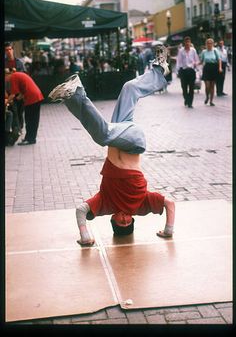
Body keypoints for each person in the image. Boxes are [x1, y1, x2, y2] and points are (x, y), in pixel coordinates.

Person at [48, 45, 175, 246]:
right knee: (103, 135)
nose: (124, 218)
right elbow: (169, 203)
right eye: (128, 222)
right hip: (134, 142)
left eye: (120, 223)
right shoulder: (141, 205)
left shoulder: (105, 204)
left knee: (129, 89)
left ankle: (159, 70)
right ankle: (75, 93)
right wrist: (168, 230)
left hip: (120, 133)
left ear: (112, 219)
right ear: (133, 219)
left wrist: (85, 236)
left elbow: (81, 210)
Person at [5, 68, 44, 145]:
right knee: (33, 119)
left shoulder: (13, 78)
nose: (5, 81)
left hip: (32, 98)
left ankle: (30, 139)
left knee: (30, 119)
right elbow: (20, 94)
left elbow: (13, 95)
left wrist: (7, 101)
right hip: (36, 96)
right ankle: (31, 138)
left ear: (7, 75)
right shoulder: (17, 75)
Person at [5, 42, 27, 132]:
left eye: (10, 49)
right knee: (12, 112)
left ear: (13, 50)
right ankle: (15, 129)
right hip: (8, 92)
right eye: (6, 50)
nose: (8, 51)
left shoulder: (19, 63)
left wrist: (22, 93)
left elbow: (24, 77)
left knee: (19, 111)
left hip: (19, 92)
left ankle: (19, 128)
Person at [176, 36, 200, 108]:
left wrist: (196, 66)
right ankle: (186, 98)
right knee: (184, 87)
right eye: (186, 42)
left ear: (190, 42)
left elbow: (197, 60)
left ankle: (190, 103)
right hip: (183, 71)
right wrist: (178, 71)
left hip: (191, 70)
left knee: (191, 87)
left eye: (188, 42)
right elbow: (178, 61)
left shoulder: (193, 50)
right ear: (184, 43)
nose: (187, 44)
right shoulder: (181, 51)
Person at [200, 38, 222, 106]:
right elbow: (201, 61)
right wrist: (195, 64)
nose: (209, 44)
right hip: (207, 68)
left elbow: (219, 60)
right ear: (206, 44)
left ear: (212, 44)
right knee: (207, 85)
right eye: (208, 43)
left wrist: (220, 67)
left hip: (214, 68)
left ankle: (211, 101)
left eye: (210, 43)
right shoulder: (204, 51)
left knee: (212, 86)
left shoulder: (215, 50)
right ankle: (207, 97)